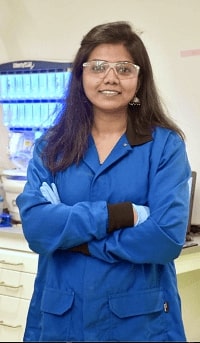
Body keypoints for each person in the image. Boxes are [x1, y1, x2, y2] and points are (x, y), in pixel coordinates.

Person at [16, 21, 191, 342]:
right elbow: (38, 229)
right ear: (80, 75)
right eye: (97, 67)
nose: (110, 77)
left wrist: (75, 238)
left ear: (139, 80)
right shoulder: (51, 147)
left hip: (139, 322)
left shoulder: (165, 146)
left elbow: (165, 237)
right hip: (61, 317)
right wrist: (120, 215)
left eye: (124, 68)